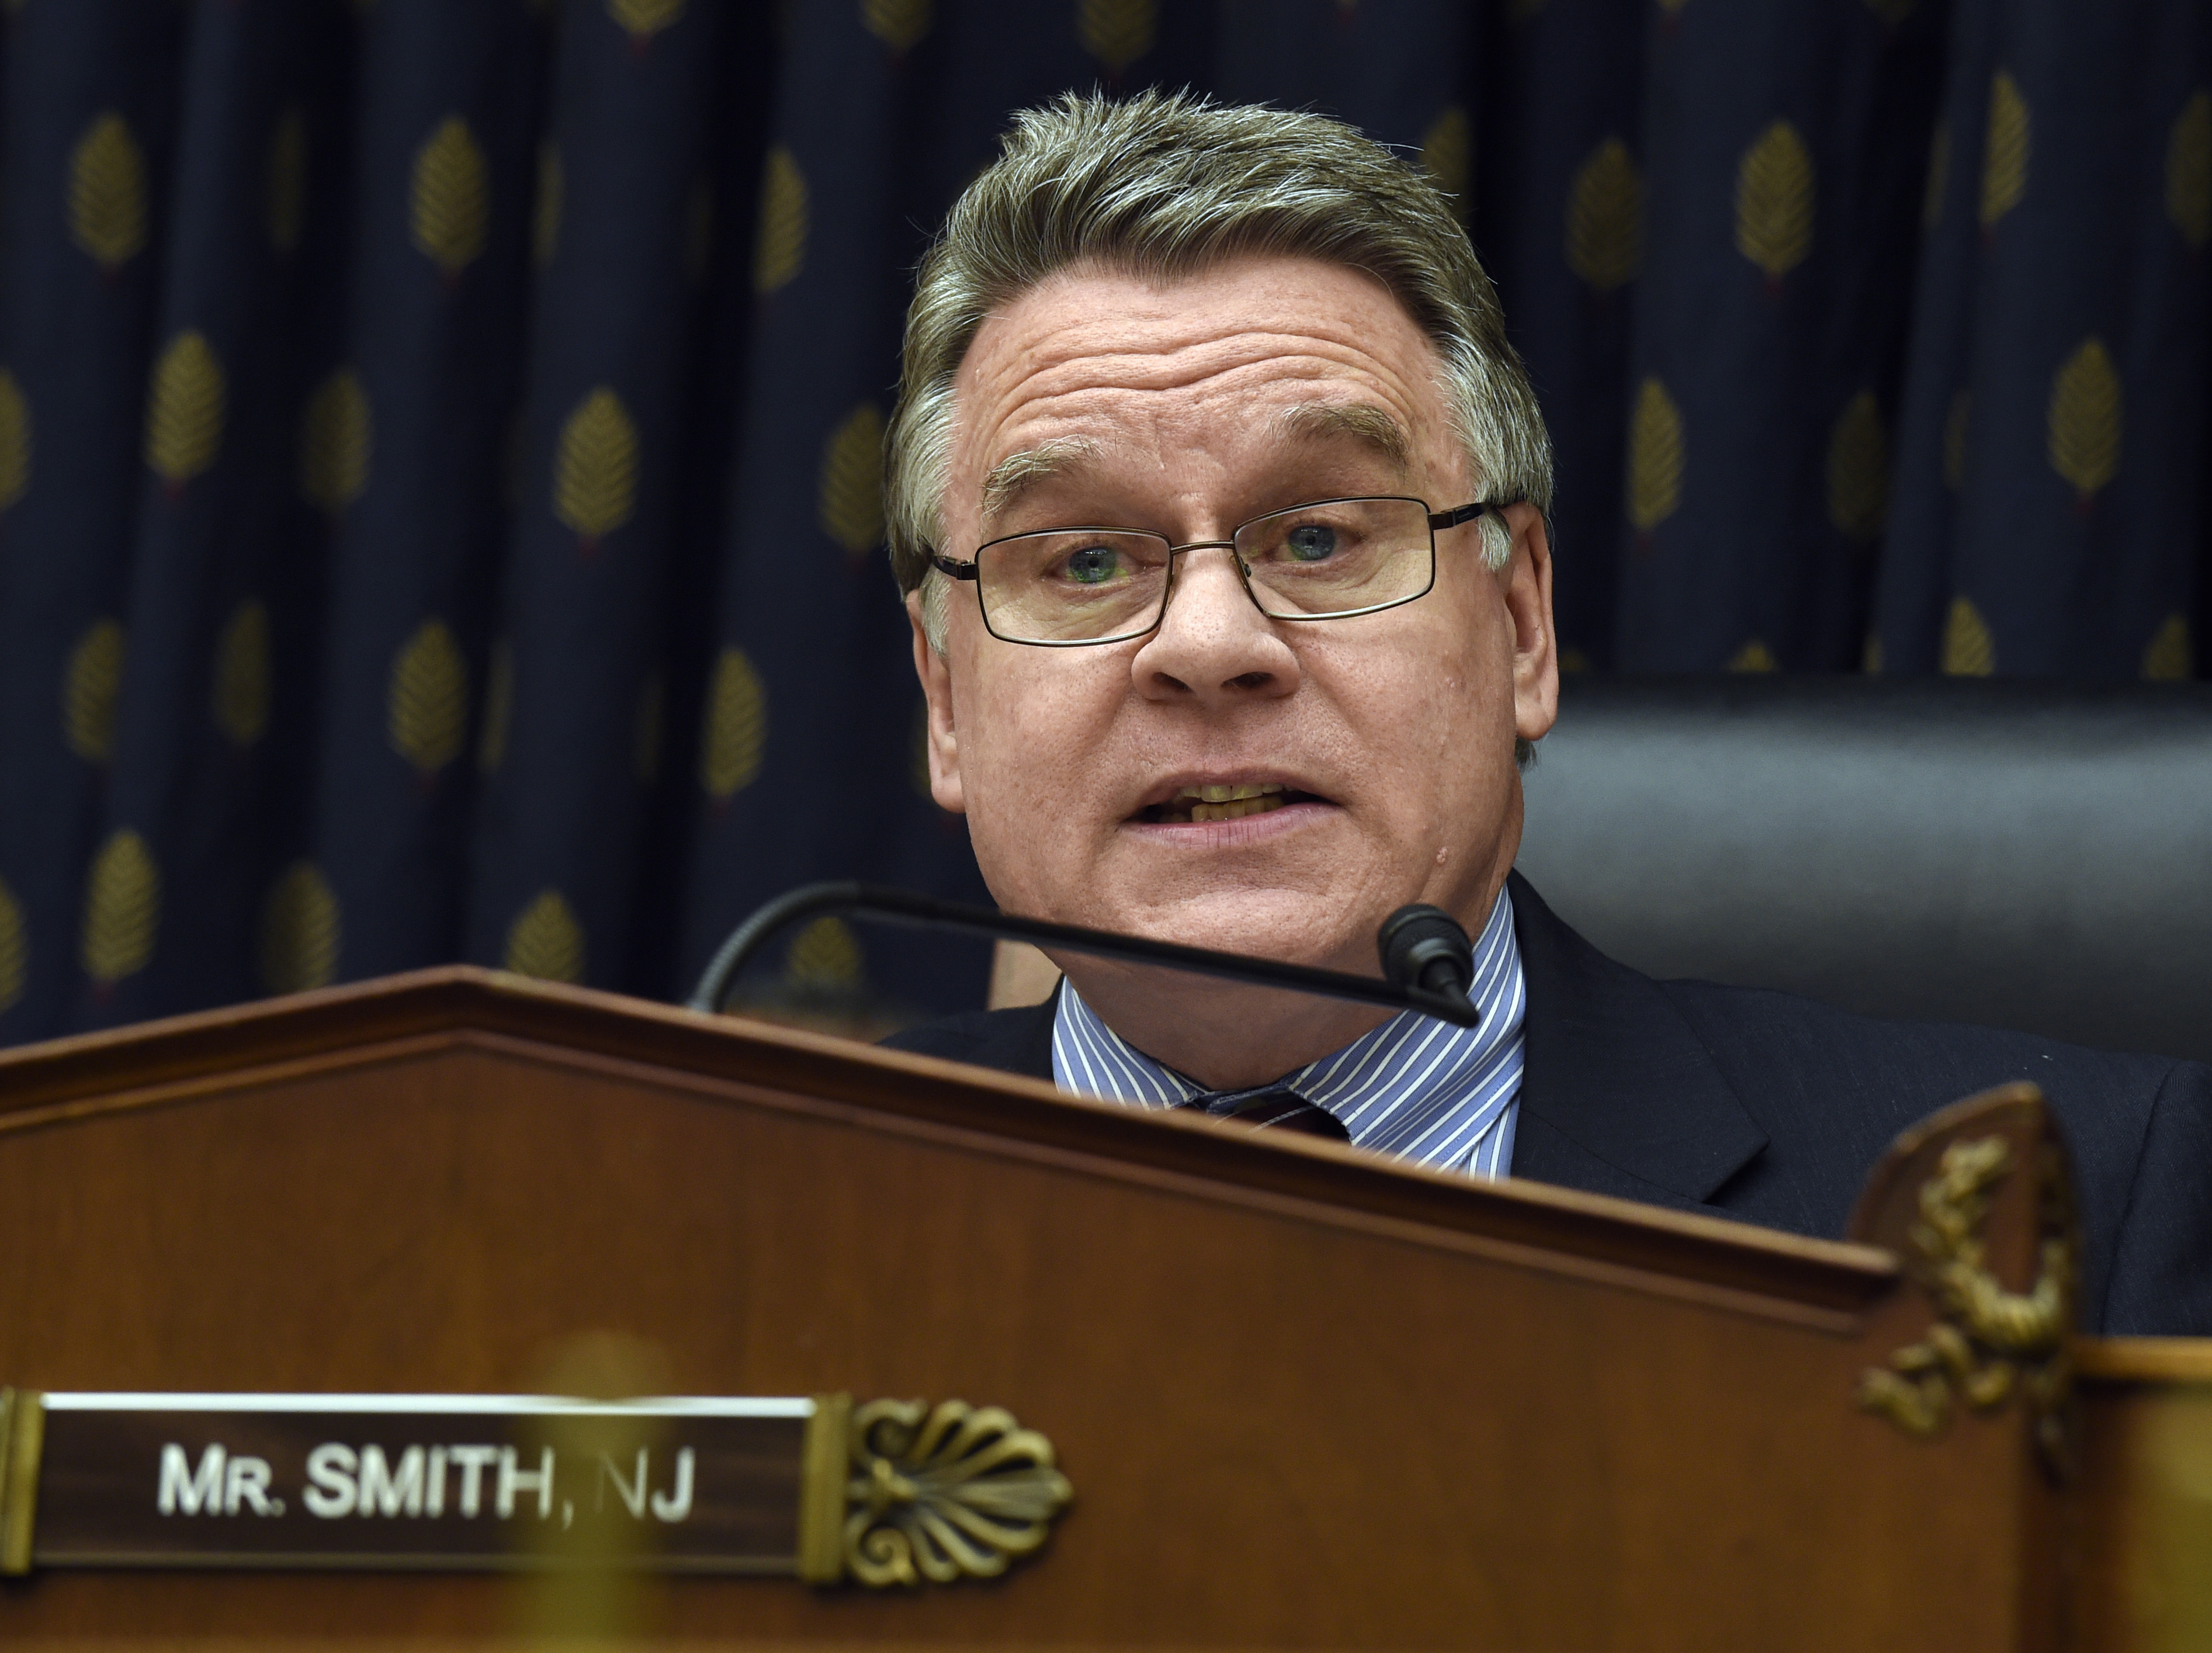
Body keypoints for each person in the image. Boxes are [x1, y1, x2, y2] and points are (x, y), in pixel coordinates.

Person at [876, 89, 2211, 1336]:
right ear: (946, 701)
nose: (1212, 644)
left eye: (1325, 537)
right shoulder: (720, 1195)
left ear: (1522, 629)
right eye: (1086, 563)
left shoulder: (2068, 1206)